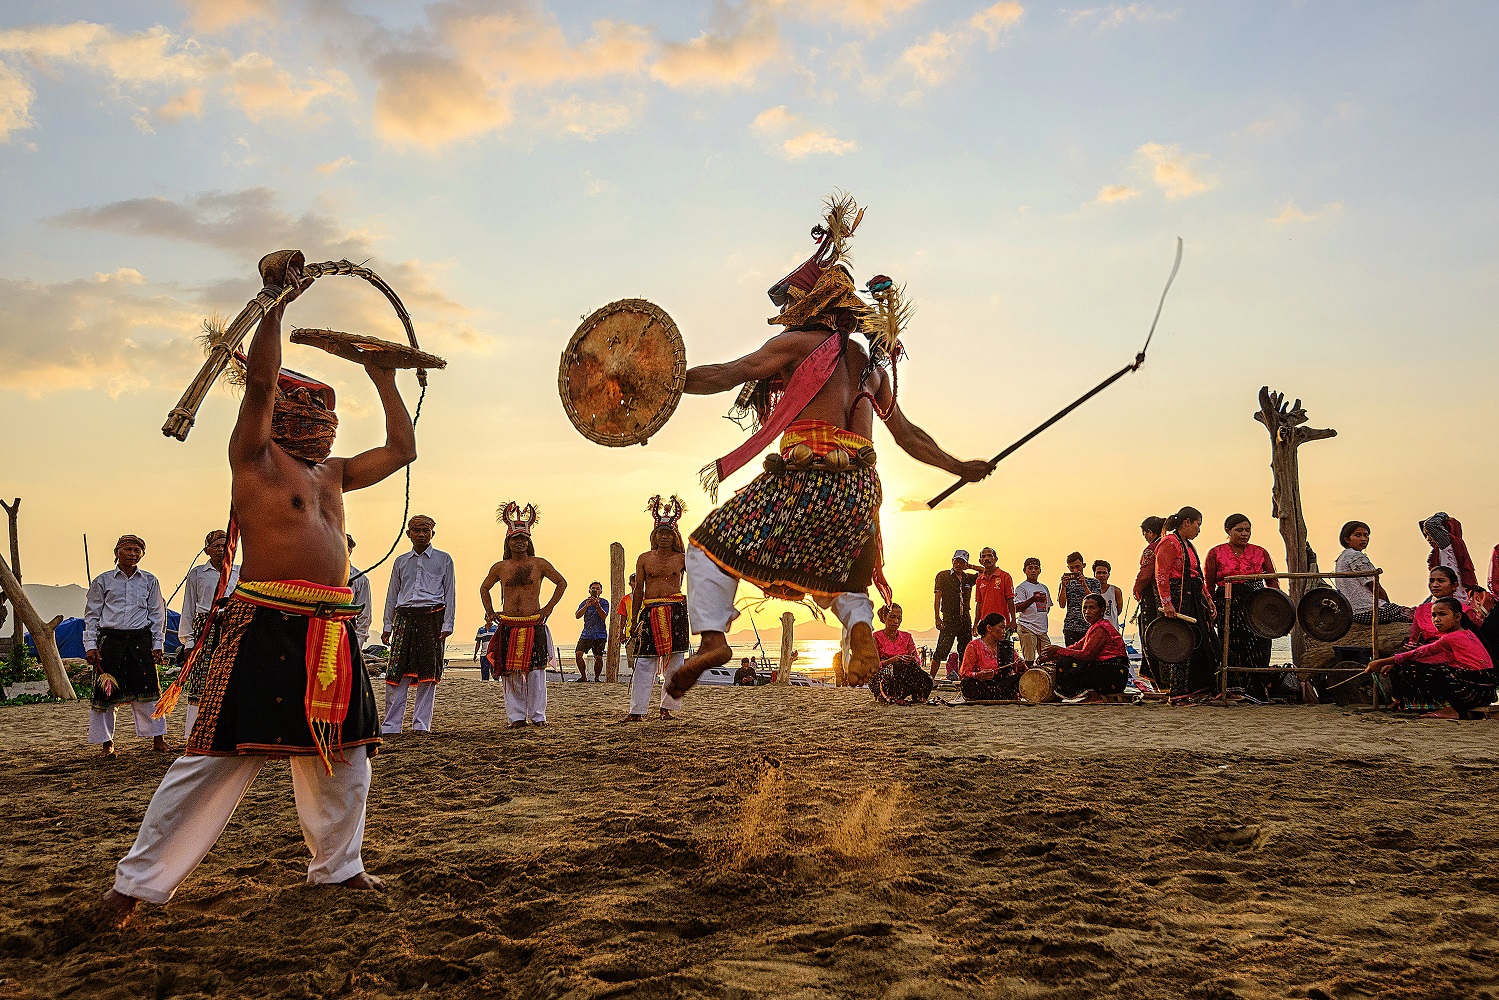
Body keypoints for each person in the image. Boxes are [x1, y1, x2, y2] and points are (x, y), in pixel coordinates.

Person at [104, 265, 414, 924]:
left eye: (331, 417)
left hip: (332, 631)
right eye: (312, 414)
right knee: (215, 759)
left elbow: (401, 449)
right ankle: (135, 886)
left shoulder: (333, 473)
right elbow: (263, 382)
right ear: (282, 417)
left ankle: (339, 868)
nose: (326, 427)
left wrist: (382, 376)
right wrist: (276, 308)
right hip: (265, 621)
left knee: (344, 755)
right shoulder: (255, 459)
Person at [667, 194, 992, 704]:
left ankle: (711, 641)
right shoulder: (870, 365)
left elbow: (731, 373)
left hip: (803, 474)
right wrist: (960, 466)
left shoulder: (796, 345)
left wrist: (668, 385)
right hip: (859, 490)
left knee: (709, 547)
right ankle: (859, 630)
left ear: (810, 306)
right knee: (839, 569)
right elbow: (907, 435)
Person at [481, 503, 566, 728]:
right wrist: (489, 612)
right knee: (510, 672)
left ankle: (538, 716)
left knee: (536, 671)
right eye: (515, 539)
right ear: (508, 542)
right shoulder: (500, 567)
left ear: (529, 541)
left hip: (533, 622)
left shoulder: (539, 564)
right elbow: (484, 588)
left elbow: (561, 582)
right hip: (508, 623)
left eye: (523, 539)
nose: (520, 542)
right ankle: (516, 717)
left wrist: (548, 608)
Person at [84, 534, 169, 757]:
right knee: (106, 693)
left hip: (140, 641)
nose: (133, 554)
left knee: (149, 691)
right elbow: (92, 615)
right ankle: (107, 743)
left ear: (142, 554)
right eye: (128, 549)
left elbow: (157, 614)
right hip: (110, 642)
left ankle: (158, 739)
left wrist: (157, 643)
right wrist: (90, 645)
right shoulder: (103, 581)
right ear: (117, 552)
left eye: (137, 550)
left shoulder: (150, 581)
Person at [380, 515, 456, 735]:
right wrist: (387, 624)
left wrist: (447, 623)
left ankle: (421, 725)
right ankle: (391, 726)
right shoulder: (400, 561)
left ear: (433, 533)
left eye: (426, 530)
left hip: (432, 618)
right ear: (408, 534)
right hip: (404, 617)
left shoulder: (444, 559)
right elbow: (392, 593)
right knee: (397, 672)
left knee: (428, 673)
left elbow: (450, 592)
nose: (421, 534)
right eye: (416, 530)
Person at [1370, 597, 1495, 719]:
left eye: (1442, 615)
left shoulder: (1451, 638)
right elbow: (1433, 657)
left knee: (1411, 667)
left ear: (1457, 617)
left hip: (1472, 693)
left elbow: (1420, 652)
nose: (1437, 620)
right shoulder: (1468, 633)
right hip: (1486, 693)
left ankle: (1451, 709)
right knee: (1418, 665)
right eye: (1434, 615)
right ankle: (1406, 703)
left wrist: (1384, 661)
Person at [627, 497, 690, 721]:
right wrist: (633, 621)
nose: (664, 537)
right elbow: (638, 591)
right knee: (644, 661)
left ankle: (667, 708)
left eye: (668, 533)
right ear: (654, 535)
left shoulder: (682, 559)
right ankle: (637, 711)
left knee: (676, 661)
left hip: (676, 611)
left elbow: (699, 581)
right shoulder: (644, 559)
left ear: (675, 536)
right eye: (660, 533)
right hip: (650, 610)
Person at [178, 529, 240, 742]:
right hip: (204, 626)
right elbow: (188, 608)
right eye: (216, 545)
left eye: (226, 544)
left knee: (233, 678)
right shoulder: (197, 574)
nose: (222, 549)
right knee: (200, 681)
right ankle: (193, 732)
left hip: (234, 627)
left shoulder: (240, 572)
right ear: (206, 550)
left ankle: (229, 730)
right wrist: (188, 641)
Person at [1203, 514, 1280, 680]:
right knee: (1232, 644)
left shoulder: (1260, 552)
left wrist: (1277, 605)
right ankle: (1234, 685)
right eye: (1239, 530)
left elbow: (1272, 581)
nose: (1244, 533)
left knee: (1261, 641)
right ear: (1228, 531)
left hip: (1257, 605)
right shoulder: (1215, 553)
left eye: (1247, 530)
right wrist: (1209, 607)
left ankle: (1258, 686)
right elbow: (1208, 584)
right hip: (1228, 605)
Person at [1154, 506, 1218, 695]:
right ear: (1186, 522)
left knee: (1202, 641)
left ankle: (1198, 688)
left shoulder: (1189, 546)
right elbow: (1161, 574)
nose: (1199, 529)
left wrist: (1208, 600)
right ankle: (1178, 692)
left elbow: (1197, 576)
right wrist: (1167, 603)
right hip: (1178, 598)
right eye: (1198, 524)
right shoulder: (1169, 543)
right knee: (1181, 643)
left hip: (1193, 596)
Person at [1041, 594, 1130, 700]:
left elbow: (1087, 655)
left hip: (1114, 675)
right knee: (1064, 659)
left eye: (1092, 608)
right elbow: (1076, 647)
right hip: (1109, 671)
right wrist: (1052, 656)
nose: (1087, 611)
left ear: (1102, 611)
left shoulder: (1102, 628)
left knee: (1066, 662)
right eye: (1085, 608)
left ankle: (1092, 694)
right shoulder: (1095, 627)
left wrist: (1059, 650)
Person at [1335, 521, 1413, 625]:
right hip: (1367, 610)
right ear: (1347, 539)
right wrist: (1387, 605)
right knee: (1414, 614)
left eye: (1366, 535)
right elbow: (1375, 588)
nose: (1363, 539)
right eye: (1357, 535)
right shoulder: (1356, 556)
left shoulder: (1342, 557)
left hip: (1351, 611)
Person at [872, 603, 931, 703]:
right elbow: (873, 665)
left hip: (903, 675)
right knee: (896, 667)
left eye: (899, 618)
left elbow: (918, 660)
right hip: (884, 677)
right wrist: (893, 660)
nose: (896, 621)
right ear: (884, 618)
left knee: (926, 678)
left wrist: (913, 659)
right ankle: (891, 696)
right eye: (892, 617)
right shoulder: (876, 637)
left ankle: (919, 696)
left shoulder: (907, 637)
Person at [932, 550, 978, 679]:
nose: (958, 564)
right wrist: (937, 618)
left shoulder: (968, 578)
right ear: (952, 561)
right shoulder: (943, 576)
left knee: (965, 651)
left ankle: (964, 677)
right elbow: (937, 597)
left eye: (962, 562)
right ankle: (931, 677)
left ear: (966, 564)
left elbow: (985, 571)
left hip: (965, 619)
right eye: (956, 561)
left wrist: (971, 567)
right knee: (941, 649)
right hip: (949, 618)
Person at [1408, 567, 1482, 646]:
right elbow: (1413, 641)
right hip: (1425, 654)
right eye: (1431, 581)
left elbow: (1474, 641)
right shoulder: (1421, 610)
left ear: (1454, 585)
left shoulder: (1465, 611)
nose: (1435, 585)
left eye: (1441, 581)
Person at [959, 612, 1023, 701]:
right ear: (989, 628)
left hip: (1002, 684)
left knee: (1019, 679)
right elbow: (964, 673)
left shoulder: (1006, 646)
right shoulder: (974, 646)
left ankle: (997, 695)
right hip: (983, 684)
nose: (1005, 632)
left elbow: (1019, 669)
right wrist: (978, 675)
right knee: (966, 684)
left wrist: (1020, 665)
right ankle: (1002, 695)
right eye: (1002, 627)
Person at [1133, 516, 1165, 679]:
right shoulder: (1174, 545)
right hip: (1170, 597)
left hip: (1153, 599)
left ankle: (1155, 677)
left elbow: (1145, 574)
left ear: (1149, 532)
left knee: (1150, 636)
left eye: (1145, 534)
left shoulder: (1152, 549)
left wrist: (1136, 590)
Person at [1421, 512, 1477, 599]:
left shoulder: (1448, 546)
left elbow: (1430, 524)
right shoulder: (1439, 553)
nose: (1428, 539)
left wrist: (1442, 515)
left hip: (1455, 601)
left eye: (1431, 535)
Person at [1057, 551, 1102, 647]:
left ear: (1084, 565)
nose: (1075, 570)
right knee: (1071, 657)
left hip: (1090, 626)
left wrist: (1084, 585)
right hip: (1071, 626)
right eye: (1071, 568)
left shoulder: (1094, 582)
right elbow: (1061, 604)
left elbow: (1097, 601)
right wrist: (1063, 586)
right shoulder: (1065, 584)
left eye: (1077, 567)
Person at [1013, 558, 1052, 664]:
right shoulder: (1021, 588)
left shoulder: (1044, 588)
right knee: (1029, 660)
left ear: (1040, 570)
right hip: (1027, 626)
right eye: (1030, 568)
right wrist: (1032, 599)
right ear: (1024, 570)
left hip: (1042, 629)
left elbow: (1048, 607)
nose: (1033, 571)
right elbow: (1016, 608)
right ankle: (1027, 679)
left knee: (1048, 659)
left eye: (1036, 568)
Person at [574, 582, 610, 683]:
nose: (595, 590)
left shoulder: (604, 602)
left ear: (601, 591)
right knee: (578, 654)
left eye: (597, 589)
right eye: (593, 589)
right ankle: (583, 676)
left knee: (598, 657)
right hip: (586, 634)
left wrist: (597, 605)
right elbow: (577, 615)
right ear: (589, 590)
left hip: (600, 634)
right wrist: (586, 606)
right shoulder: (585, 602)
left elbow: (604, 615)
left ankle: (597, 678)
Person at [973, 547, 1015, 628]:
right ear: (980, 561)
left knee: (1003, 641)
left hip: (1002, 622)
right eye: (984, 556)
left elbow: (1010, 599)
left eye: (989, 556)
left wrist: (1013, 620)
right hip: (986, 624)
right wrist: (975, 624)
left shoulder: (1005, 577)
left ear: (995, 559)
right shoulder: (979, 580)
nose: (986, 558)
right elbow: (979, 603)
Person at [346, 534, 373, 651]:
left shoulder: (360, 579)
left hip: (348, 633)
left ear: (350, 551)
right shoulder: (320, 575)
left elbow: (365, 615)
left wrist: (357, 643)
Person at [1092, 560, 1123, 629]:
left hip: (1112, 629)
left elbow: (1118, 610)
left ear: (1108, 574)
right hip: (1096, 629)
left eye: (1104, 573)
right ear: (1094, 574)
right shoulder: (1091, 591)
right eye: (1099, 573)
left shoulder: (1115, 591)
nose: (1101, 575)